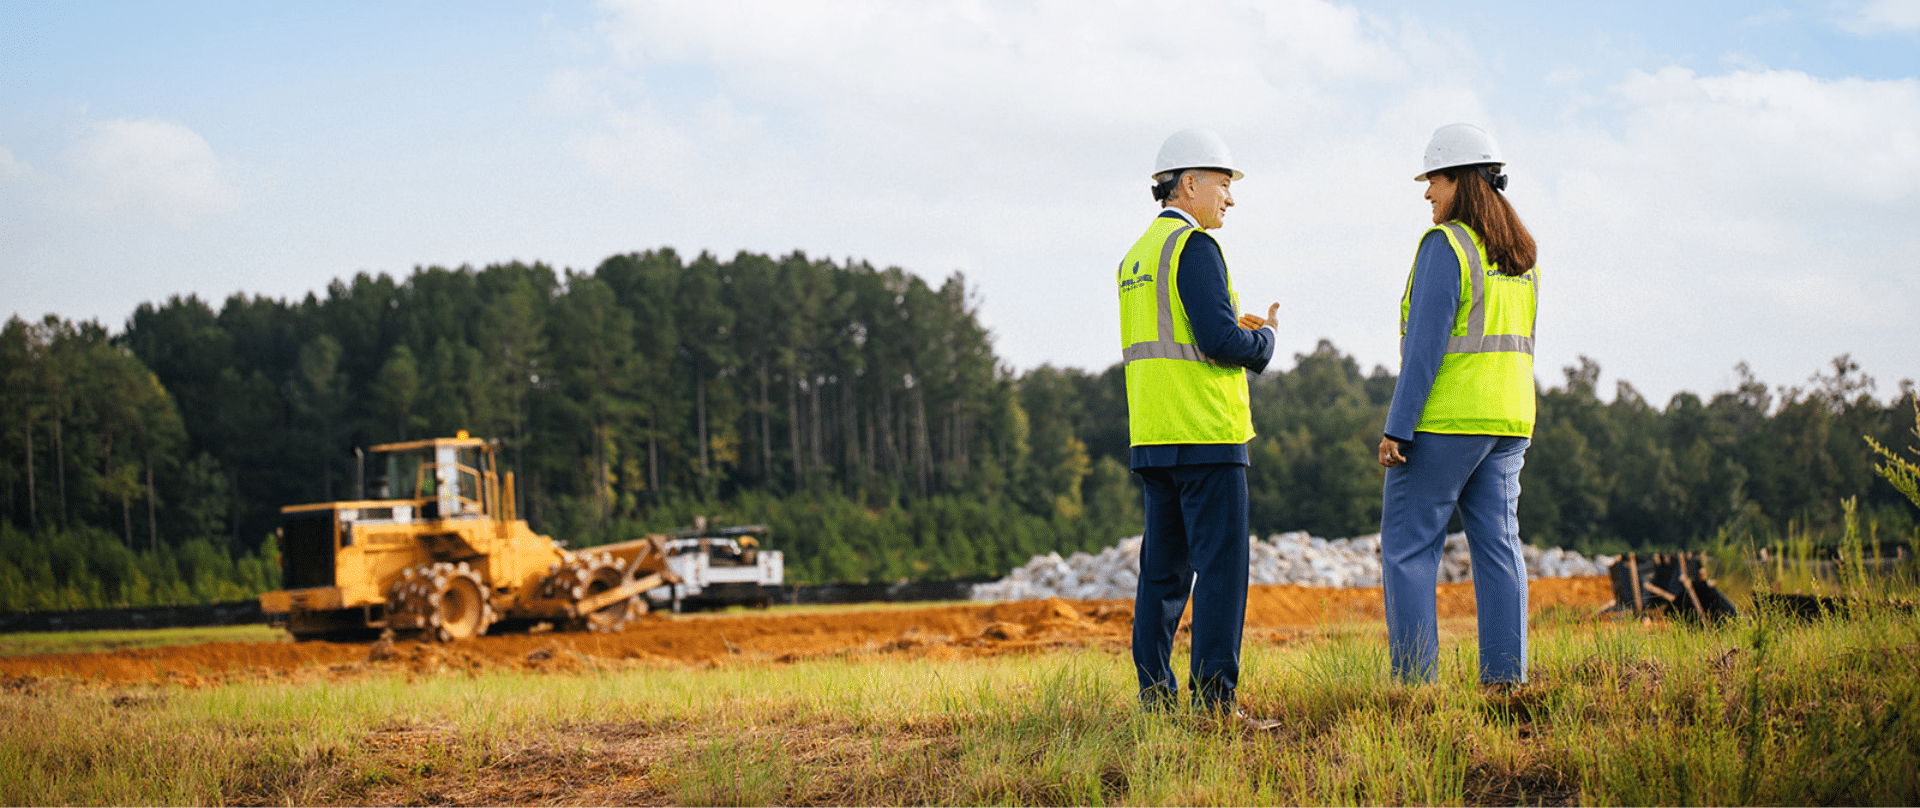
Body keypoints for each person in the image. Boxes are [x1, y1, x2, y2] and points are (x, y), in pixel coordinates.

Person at [1119, 128, 1279, 715]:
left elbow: (1179, 333)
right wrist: (1261, 340)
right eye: (1224, 184)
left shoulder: (1137, 256)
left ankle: (1156, 703)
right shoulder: (1195, 248)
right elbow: (1218, 341)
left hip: (1155, 438)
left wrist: (1228, 324)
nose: (1230, 198)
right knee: (1220, 573)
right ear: (1189, 184)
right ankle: (1214, 706)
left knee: (1160, 576)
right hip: (1208, 437)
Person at [1377, 123, 1540, 685]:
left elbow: (1424, 349)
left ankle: (1414, 688)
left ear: (1462, 182)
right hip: (1510, 418)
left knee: (1408, 549)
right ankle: (1505, 682)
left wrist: (1398, 428)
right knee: (1499, 549)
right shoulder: (1520, 257)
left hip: (1447, 422)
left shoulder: (1446, 247)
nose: (1427, 193)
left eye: (1435, 181)